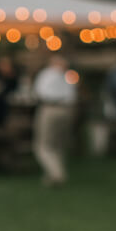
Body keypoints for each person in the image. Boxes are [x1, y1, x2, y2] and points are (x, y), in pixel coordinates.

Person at [32, 54, 78, 185]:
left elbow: (39, 92)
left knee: (44, 145)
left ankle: (56, 173)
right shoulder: (68, 76)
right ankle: (52, 175)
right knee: (58, 144)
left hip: (50, 109)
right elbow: (73, 95)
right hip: (66, 110)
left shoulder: (46, 74)